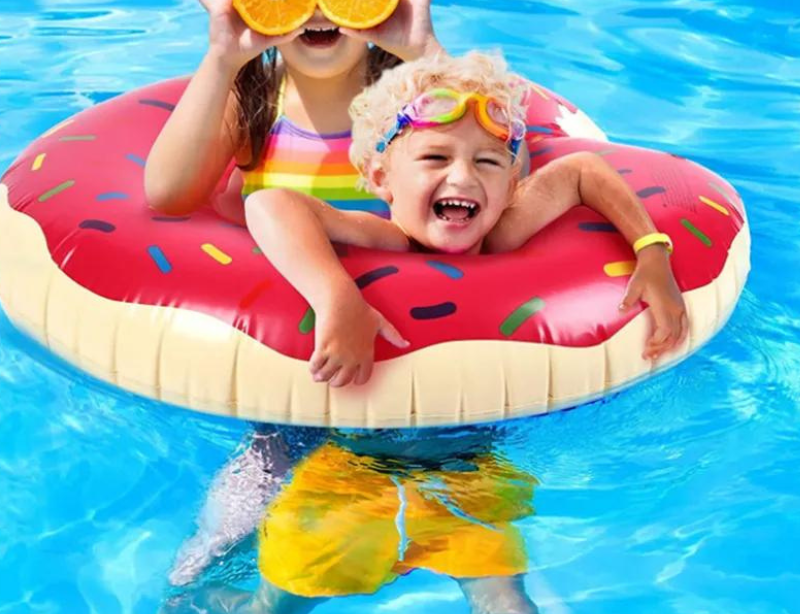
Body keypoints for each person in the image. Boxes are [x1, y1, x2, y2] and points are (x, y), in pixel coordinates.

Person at [164, 52, 688, 614]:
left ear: (513, 181)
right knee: (287, 596)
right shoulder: (381, 238)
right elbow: (268, 203)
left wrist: (650, 251)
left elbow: (585, 171)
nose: (462, 177)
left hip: (468, 458)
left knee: (505, 597)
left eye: (488, 162)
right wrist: (339, 298)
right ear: (381, 176)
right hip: (345, 452)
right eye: (436, 157)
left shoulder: (507, 230)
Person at [144, 0, 444, 224]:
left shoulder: (413, 98)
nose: (317, 8)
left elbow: (504, 184)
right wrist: (221, 59)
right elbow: (168, 195)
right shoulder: (252, 101)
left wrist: (422, 50)